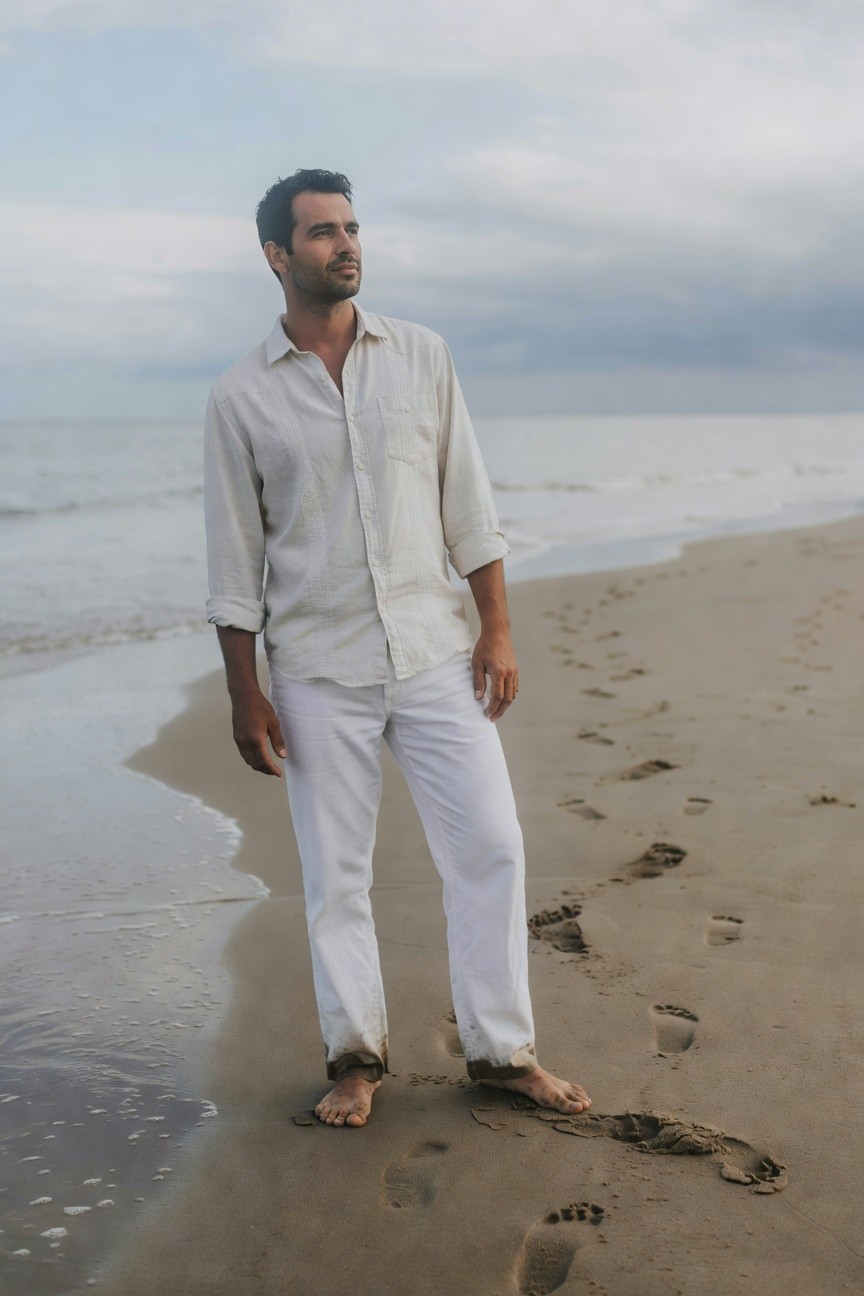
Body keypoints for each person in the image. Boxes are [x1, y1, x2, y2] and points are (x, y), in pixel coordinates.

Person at [203, 168, 591, 1128]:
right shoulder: (239, 398)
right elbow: (233, 561)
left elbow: (470, 504)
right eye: (322, 232)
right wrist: (244, 695)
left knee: (492, 848)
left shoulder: (422, 356)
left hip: (431, 651)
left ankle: (501, 1053)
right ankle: (356, 1057)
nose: (346, 245)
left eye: (351, 227)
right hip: (315, 672)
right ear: (276, 255)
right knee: (337, 877)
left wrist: (495, 625)